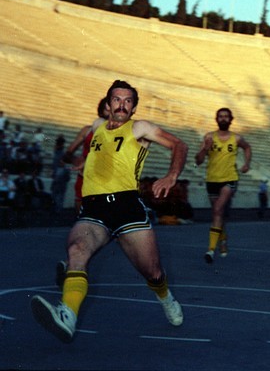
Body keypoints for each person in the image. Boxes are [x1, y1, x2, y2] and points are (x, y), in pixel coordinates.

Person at [30, 80, 188, 343]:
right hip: (95, 208)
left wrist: (172, 175)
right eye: (117, 99)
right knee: (77, 249)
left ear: (134, 108)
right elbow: (100, 155)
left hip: (127, 207)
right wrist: (83, 162)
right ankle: (67, 315)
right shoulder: (96, 127)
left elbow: (179, 145)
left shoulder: (139, 128)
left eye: (128, 101)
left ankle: (166, 297)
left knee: (153, 272)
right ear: (108, 103)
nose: (122, 105)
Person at [194, 107, 251, 263]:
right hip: (212, 179)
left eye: (226, 116)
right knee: (217, 214)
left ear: (231, 119)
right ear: (216, 119)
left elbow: (247, 147)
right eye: (220, 116)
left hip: (229, 179)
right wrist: (205, 149)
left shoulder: (236, 138)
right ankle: (223, 239)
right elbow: (198, 161)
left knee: (218, 209)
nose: (223, 118)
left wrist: (247, 163)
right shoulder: (208, 137)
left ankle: (211, 250)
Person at [63, 97, 109, 213]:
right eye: (107, 109)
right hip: (84, 178)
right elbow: (67, 154)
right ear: (101, 110)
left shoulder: (121, 133)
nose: (110, 113)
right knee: (81, 217)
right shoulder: (87, 130)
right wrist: (76, 160)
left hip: (104, 180)